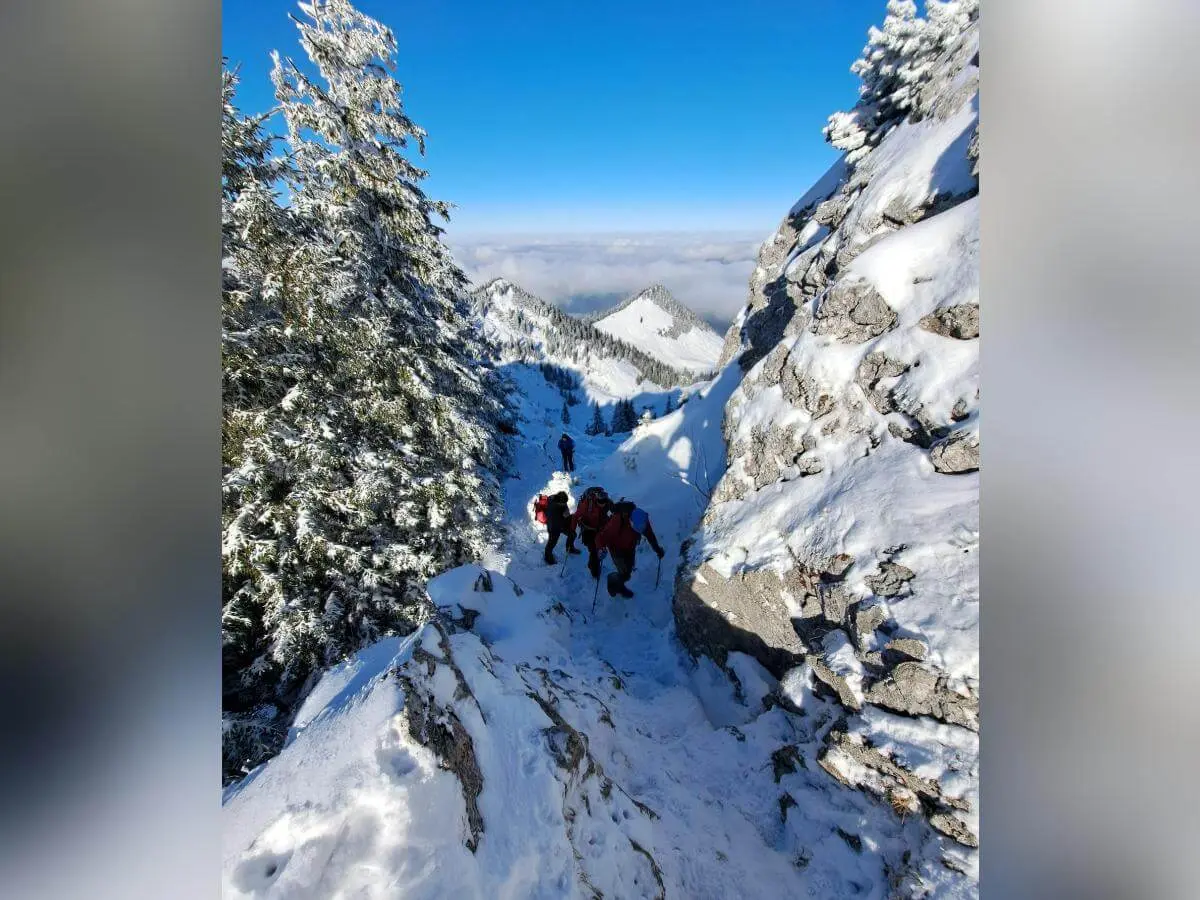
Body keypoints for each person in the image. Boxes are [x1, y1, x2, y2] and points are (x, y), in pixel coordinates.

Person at [594, 500, 664, 598]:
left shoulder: (642, 519)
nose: (639, 531)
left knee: (628, 570)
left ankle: (619, 581)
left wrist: (657, 549)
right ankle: (613, 585)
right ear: (630, 521)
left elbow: (650, 535)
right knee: (624, 573)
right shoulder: (617, 520)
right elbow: (601, 537)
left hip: (630, 546)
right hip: (616, 548)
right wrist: (600, 548)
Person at [571, 486, 612, 580]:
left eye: (604, 504)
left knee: (598, 550)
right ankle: (594, 571)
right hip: (588, 529)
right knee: (594, 550)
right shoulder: (587, 504)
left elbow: (614, 510)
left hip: (600, 529)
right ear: (596, 500)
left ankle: (593, 565)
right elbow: (576, 516)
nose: (602, 505)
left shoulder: (607, 502)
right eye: (600, 503)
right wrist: (572, 531)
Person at [543, 491, 580, 564]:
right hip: (554, 527)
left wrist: (567, 514)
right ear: (559, 502)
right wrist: (566, 515)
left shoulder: (559, 500)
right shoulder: (553, 508)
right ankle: (548, 557)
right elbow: (558, 518)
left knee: (572, 534)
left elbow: (566, 513)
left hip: (561, 524)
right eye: (563, 503)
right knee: (552, 542)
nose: (565, 504)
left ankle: (570, 548)